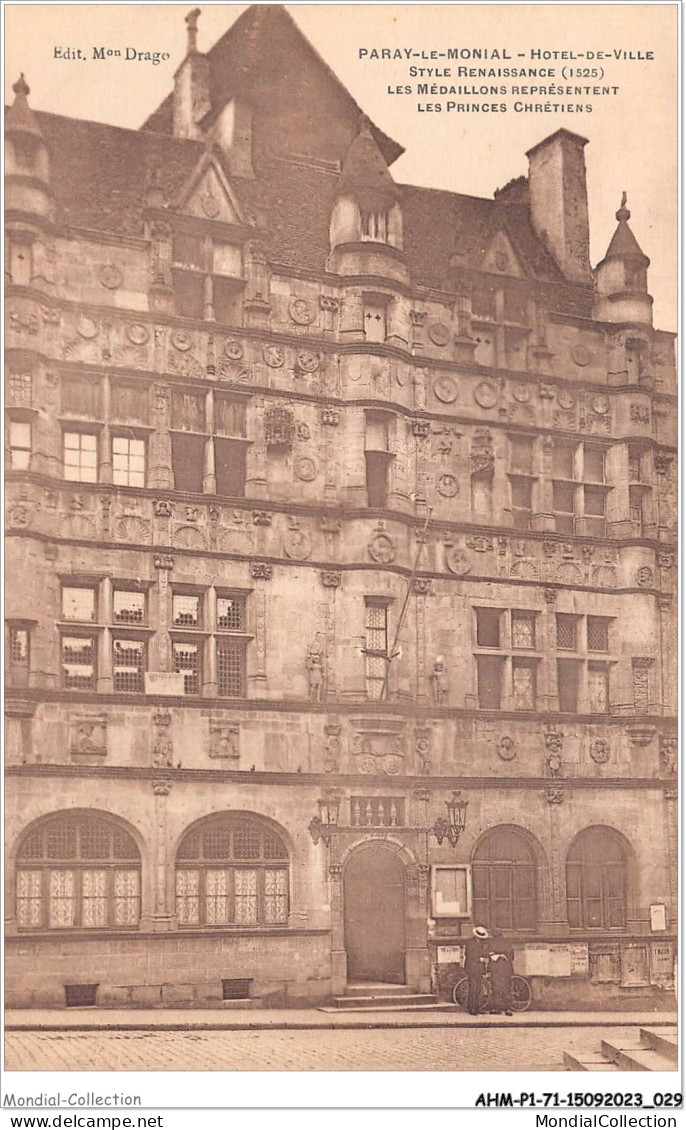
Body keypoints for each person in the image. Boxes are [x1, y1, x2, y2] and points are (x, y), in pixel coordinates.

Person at [463, 925, 489, 1015]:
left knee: (478, 988)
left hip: (478, 968)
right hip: (471, 968)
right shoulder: (470, 943)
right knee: (473, 988)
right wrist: (480, 959)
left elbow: (481, 953)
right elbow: (469, 955)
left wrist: (487, 955)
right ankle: (471, 1008)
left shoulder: (480, 943)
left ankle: (477, 1007)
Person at [489, 928, 515, 1015]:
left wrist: (495, 955)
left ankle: (497, 1008)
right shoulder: (507, 943)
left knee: (496, 988)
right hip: (506, 969)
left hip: (496, 969)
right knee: (506, 988)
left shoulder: (492, 943)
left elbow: (488, 954)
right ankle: (508, 1008)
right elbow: (512, 956)